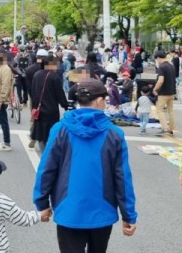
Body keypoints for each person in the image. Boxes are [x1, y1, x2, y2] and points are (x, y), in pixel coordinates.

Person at [34, 78, 137, 253]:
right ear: (98, 100)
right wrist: (129, 215)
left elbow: (47, 169)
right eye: (105, 99)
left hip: (69, 210)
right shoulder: (114, 134)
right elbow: (122, 178)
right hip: (102, 212)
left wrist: (42, 203)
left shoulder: (60, 129)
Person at [153, 50, 176, 135]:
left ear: (158, 58)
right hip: (171, 92)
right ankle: (171, 128)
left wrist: (155, 89)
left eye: (156, 59)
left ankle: (165, 129)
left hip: (163, 93)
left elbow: (160, 80)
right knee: (171, 111)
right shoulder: (171, 65)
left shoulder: (161, 67)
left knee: (160, 110)